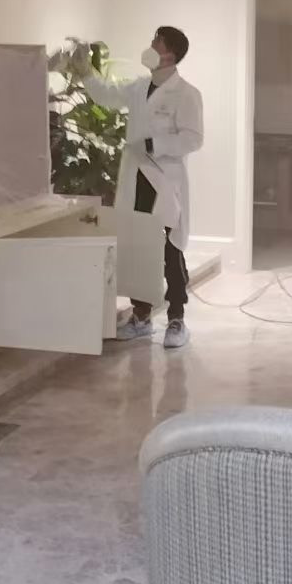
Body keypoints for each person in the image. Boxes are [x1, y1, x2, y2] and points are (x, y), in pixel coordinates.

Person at [81, 26, 203, 349]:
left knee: (170, 248)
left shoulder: (186, 94)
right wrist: (84, 71)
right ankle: (142, 317)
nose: (150, 45)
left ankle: (176, 319)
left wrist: (154, 144)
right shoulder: (139, 87)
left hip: (164, 181)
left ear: (169, 54)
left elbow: (193, 138)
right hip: (136, 179)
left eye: (156, 42)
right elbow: (106, 95)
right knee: (139, 248)